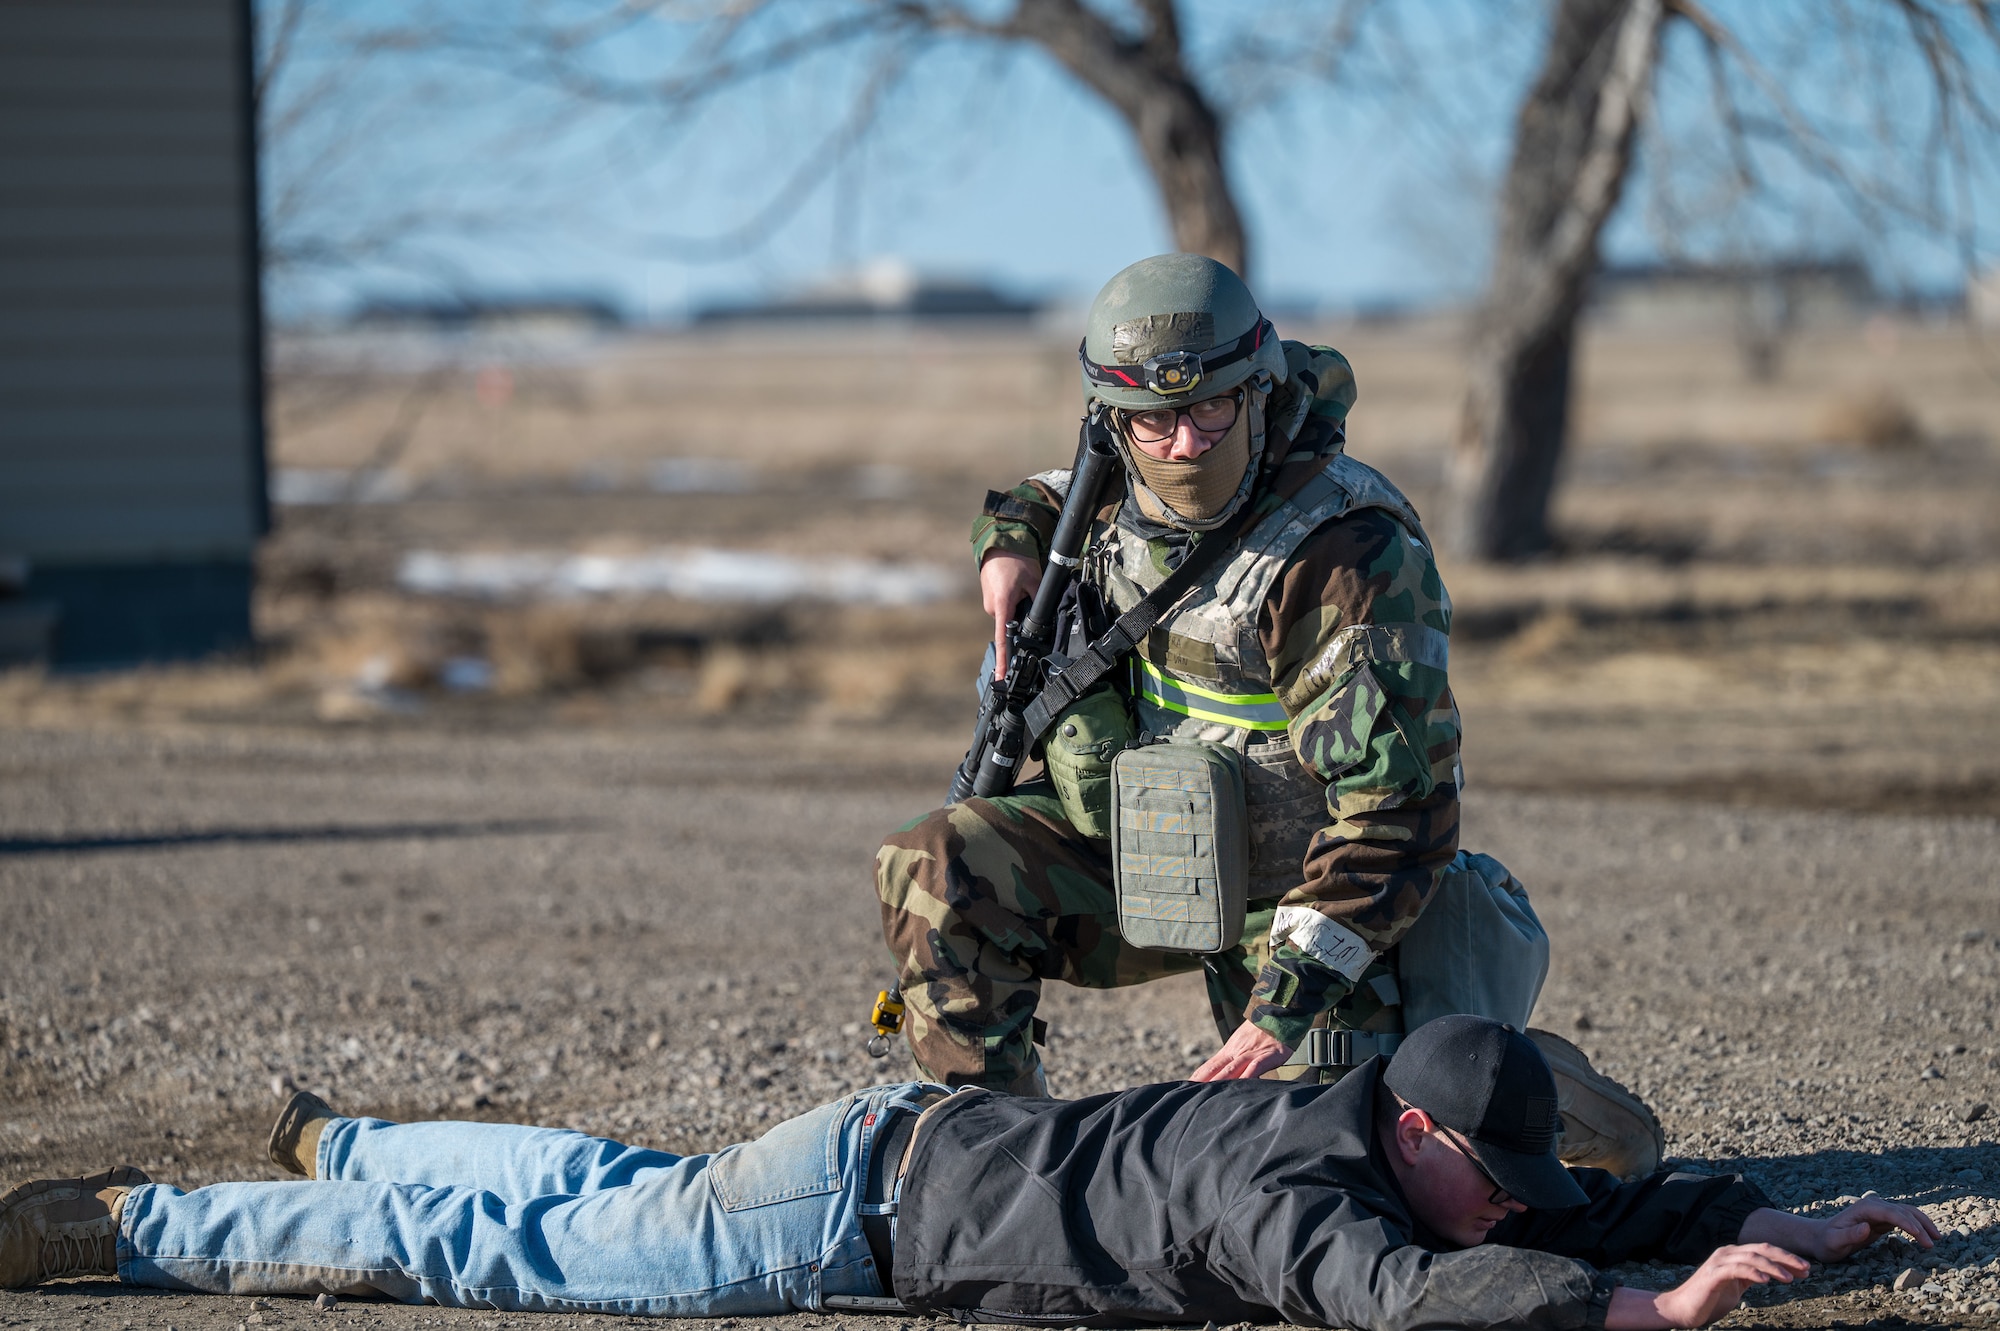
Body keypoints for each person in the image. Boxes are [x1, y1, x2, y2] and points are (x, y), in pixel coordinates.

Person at [875, 253, 1648, 1162]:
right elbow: (1045, 494)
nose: (1187, 444)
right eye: (1154, 420)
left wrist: (1281, 1009)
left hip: (1307, 893)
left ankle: (1555, 1105)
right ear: (1113, 419)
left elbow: (1400, 814)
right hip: (1150, 859)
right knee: (940, 870)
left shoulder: (1343, 555)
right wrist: (1006, 548)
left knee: (1351, 1157)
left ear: (1259, 386)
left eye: (1211, 407)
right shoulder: (1118, 474)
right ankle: (994, 1174)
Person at [0, 1016, 1936, 1329]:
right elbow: (1410, 1296)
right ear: (1413, 1126)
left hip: (883, 1133)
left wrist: (1758, 1218)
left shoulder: (1387, 1132)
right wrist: (1635, 1303)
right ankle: (131, 1225)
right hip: (836, 1212)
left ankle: (342, 1130)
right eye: (1491, 1171)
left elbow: (1534, 1209)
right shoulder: (1287, 1195)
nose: (1517, 1200)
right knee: (504, 1247)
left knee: (595, 1172)